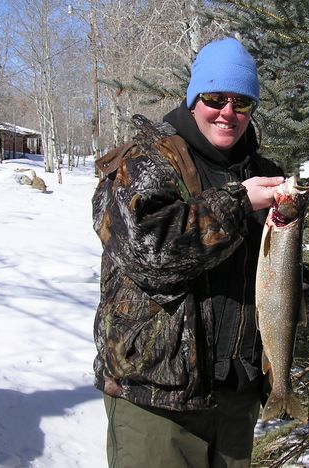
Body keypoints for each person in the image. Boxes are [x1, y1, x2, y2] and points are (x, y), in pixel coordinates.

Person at [91, 37, 286, 468]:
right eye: (216, 98)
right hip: (159, 399)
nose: (228, 113)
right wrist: (236, 203)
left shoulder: (265, 174)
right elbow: (150, 254)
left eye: (243, 102)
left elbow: (272, 269)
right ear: (195, 98)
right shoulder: (143, 161)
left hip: (238, 395)